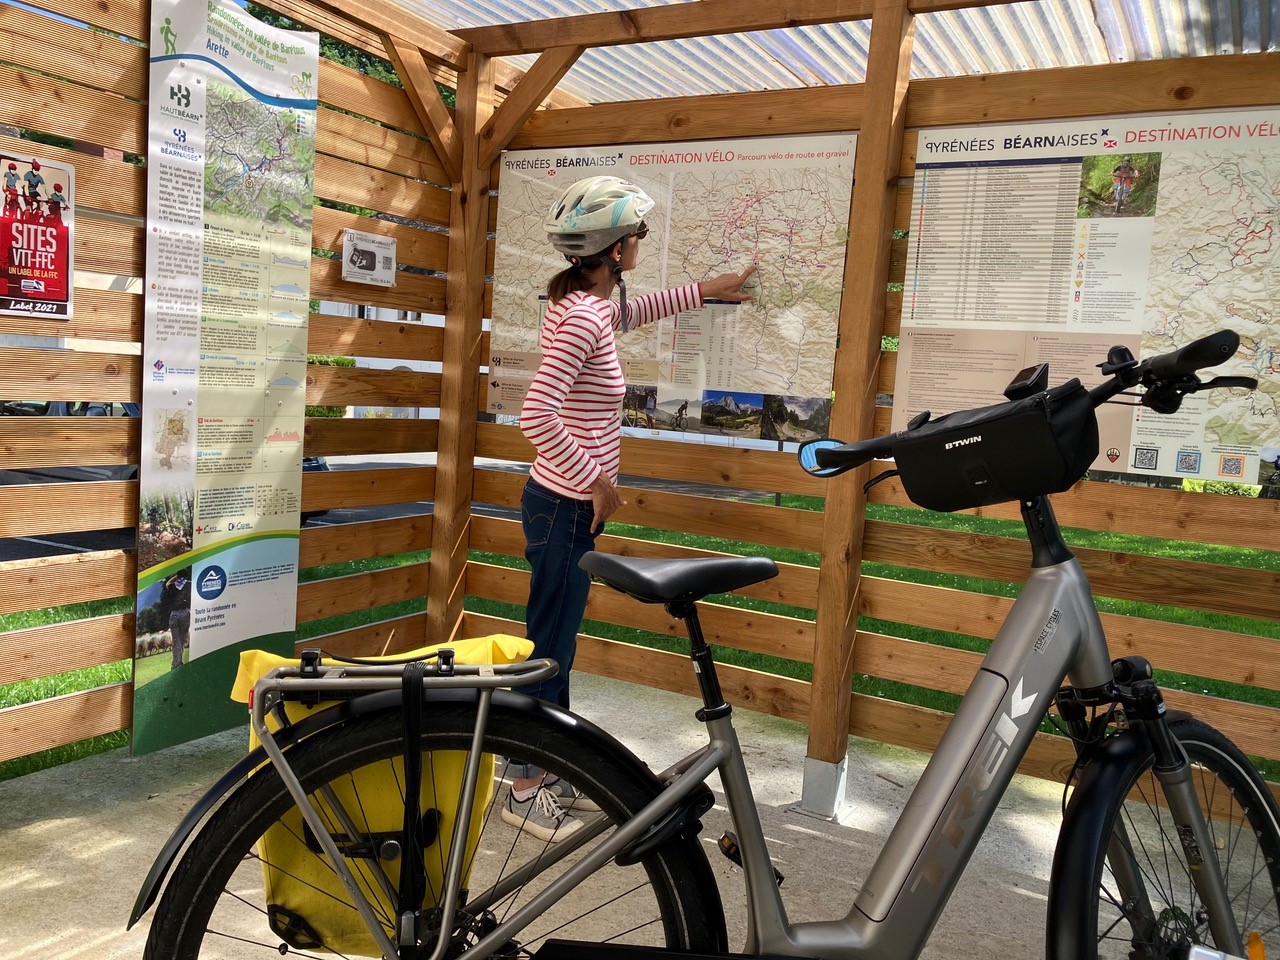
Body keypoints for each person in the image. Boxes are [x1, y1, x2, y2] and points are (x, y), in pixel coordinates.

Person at [509, 175, 756, 841]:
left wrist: (708, 290)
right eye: (638, 233)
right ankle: (524, 783)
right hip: (563, 506)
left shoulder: (584, 305)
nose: (643, 241)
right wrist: (596, 480)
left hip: (560, 506)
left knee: (555, 639)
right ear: (615, 249)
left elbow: (633, 313)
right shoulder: (583, 318)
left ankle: (550, 768)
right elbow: (535, 415)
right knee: (548, 645)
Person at [159, 568, 192, 669]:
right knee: (182, 639)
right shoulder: (190, 584)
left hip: (174, 615)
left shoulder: (172, 586)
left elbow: (167, 583)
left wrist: (175, 577)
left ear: (177, 576)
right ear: (186, 576)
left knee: (175, 640)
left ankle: (176, 663)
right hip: (185, 614)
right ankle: (179, 662)